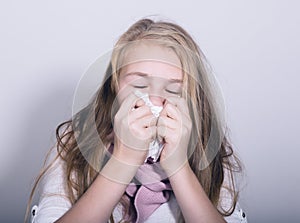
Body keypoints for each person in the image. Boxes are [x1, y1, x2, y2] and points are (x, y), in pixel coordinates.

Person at [26, 18, 248, 223]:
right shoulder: (75, 141)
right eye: (139, 86)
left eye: (173, 89)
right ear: (114, 87)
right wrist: (125, 159)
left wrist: (179, 167)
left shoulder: (209, 148)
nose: (154, 100)